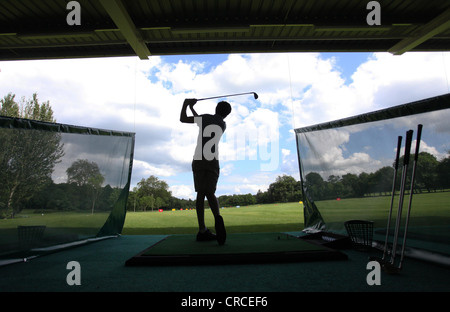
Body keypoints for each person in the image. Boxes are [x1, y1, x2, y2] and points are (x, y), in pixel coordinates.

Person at [180, 98, 232, 245]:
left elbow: (183, 119)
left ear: (216, 108)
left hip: (199, 159)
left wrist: (186, 104)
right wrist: (192, 108)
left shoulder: (206, 118)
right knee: (210, 192)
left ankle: (202, 230)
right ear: (226, 114)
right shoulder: (222, 124)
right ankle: (217, 217)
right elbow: (200, 122)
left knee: (200, 194)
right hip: (212, 159)